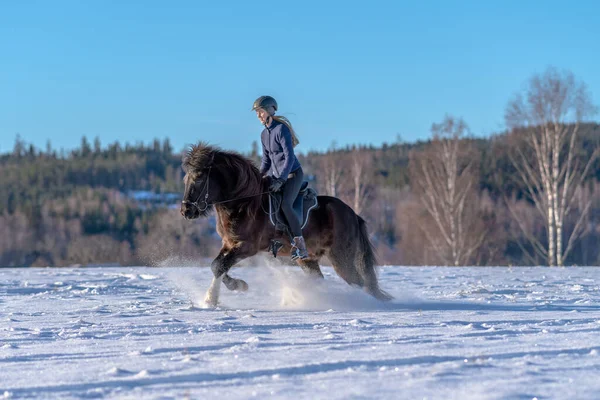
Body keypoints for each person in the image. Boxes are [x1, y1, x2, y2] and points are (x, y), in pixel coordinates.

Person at [252, 95, 308, 260]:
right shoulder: (264, 134)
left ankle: (300, 245)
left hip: (292, 175)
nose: (258, 115)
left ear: (269, 110)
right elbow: (266, 161)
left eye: (260, 112)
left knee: (285, 204)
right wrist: (257, 178)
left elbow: (289, 158)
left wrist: (281, 180)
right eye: (257, 113)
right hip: (276, 178)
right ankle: (278, 238)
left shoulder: (281, 129)